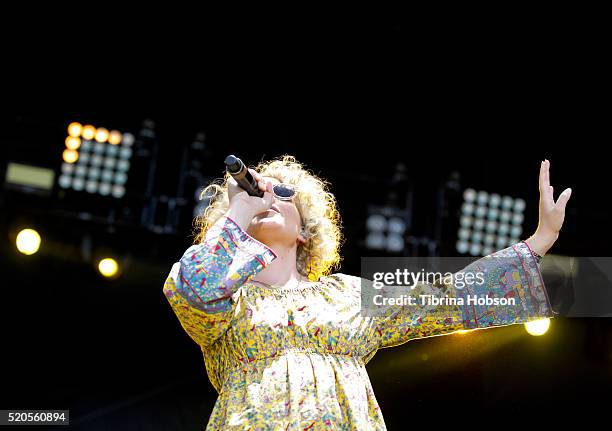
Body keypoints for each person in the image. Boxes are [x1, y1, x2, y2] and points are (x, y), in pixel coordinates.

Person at [163, 156, 571, 430]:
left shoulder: (346, 295)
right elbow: (193, 291)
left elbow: (445, 298)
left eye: (283, 194)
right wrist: (240, 207)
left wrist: (537, 243)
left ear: (306, 231)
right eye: (260, 193)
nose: (268, 197)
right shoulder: (228, 296)